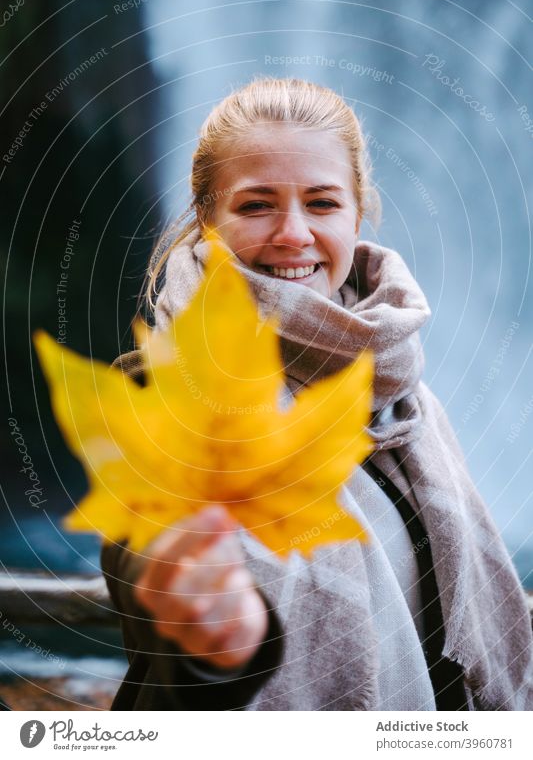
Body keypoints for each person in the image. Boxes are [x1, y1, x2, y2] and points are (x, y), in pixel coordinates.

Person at [101, 77, 533, 711]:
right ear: (207, 220)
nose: (293, 234)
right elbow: (146, 550)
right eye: (255, 206)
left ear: (359, 213)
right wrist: (219, 629)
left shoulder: (403, 397)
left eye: (323, 203)